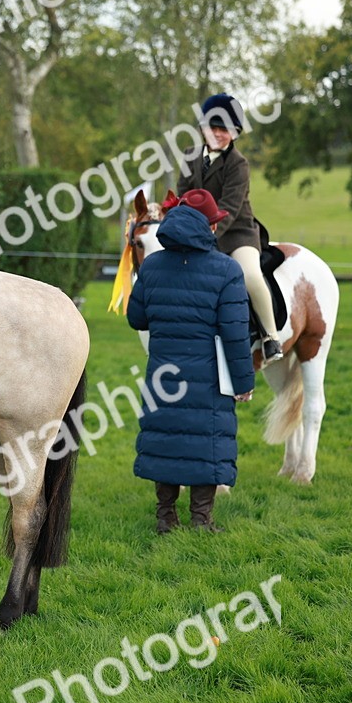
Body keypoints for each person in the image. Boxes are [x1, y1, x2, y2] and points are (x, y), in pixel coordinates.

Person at [127, 190, 255, 533]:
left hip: (164, 371)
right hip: (208, 374)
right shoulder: (227, 270)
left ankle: (165, 516)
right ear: (209, 227)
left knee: (166, 440)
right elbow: (234, 334)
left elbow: (136, 317)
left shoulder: (152, 265)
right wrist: (243, 383)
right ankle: (202, 519)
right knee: (206, 441)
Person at [176, 93, 283, 366]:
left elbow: (229, 207)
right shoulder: (190, 156)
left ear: (235, 133)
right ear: (202, 128)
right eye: (212, 127)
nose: (217, 134)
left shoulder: (238, 164)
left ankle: (270, 336)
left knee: (249, 274)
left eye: (224, 129)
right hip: (198, 233)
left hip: (237, 232)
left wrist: (204, 236)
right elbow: (183, 196)